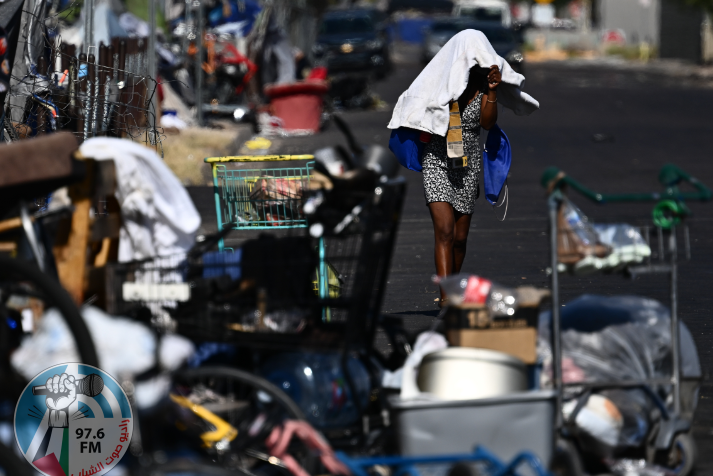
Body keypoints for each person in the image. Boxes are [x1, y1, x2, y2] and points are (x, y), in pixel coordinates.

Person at [387, 30, 539, 306]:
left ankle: (454, 288)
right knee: (444, 230)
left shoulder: (483, 87)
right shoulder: (440, 83)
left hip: (467, 164)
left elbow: (487, 124)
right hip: (437, 159)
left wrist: (492, 92)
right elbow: (415, 101)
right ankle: (446, 299)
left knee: (459, 238)